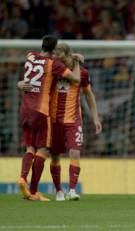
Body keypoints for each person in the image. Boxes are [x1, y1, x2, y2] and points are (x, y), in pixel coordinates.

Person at [17, 35, 81, 201]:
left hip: (24, 109)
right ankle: (33, 191)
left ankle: (22, 178)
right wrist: (76, 62)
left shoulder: (30, 56)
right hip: (41, 111)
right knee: (44, 150)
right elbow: (76, 79)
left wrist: (19, 83)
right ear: (53, 51)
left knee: (29, 148)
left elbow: (28, 77)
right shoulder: (54, 64)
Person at [49, 43, 102, 201]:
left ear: (67, 55)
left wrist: (95, 117)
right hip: (54, 120)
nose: (57, 61)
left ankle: (72, 190)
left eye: (60, 58)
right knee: (55, 157)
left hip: (73, 119)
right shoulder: (54, 69)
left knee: (75, 152)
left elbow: (88, 94)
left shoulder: (83, 73)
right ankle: (59, 191)